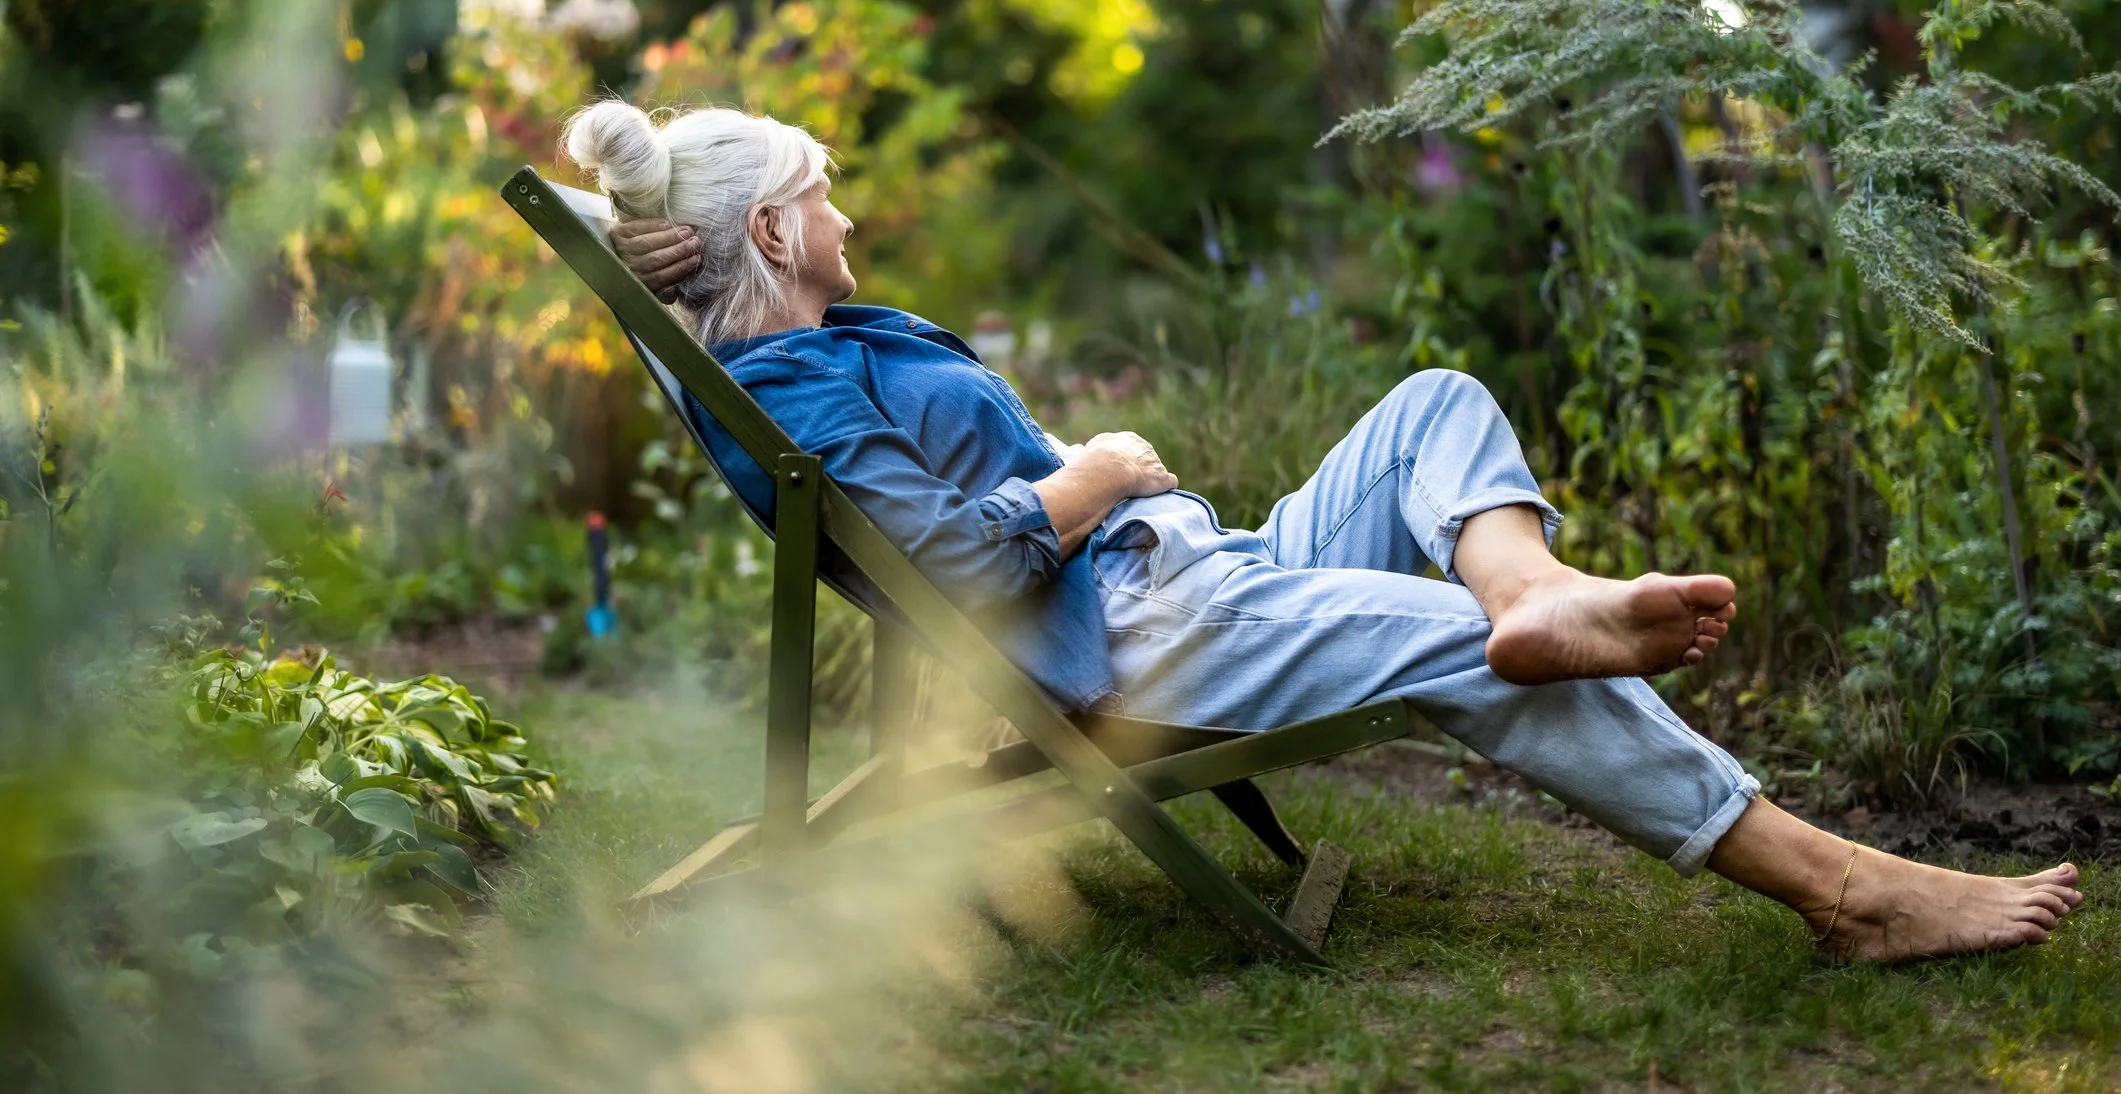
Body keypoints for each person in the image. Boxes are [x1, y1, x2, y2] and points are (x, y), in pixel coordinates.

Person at [569, 98, 2085, 963]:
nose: (848, 209)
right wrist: (1094, 472)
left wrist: (1121, 497)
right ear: (769, 233)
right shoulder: (804, 396)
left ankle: (1539, 586)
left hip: (1191, 567)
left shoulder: (817, 342)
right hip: (1145, 628)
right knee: (1454, 646)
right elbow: (961, 566)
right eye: (823, 193)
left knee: (1432, 400)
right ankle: (1850, 890)